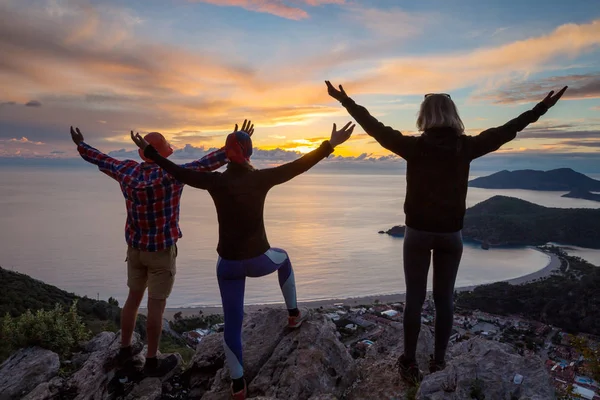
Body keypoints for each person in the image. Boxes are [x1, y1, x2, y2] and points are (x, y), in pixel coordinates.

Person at [325, 81, 568, 383]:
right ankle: (438, 362)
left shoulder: (413, 147)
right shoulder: (466, 147)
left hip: (417, 233)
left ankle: (409, 362)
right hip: (451, 236)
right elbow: (509, 129)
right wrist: (542, 108)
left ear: (424, 116)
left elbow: (373, 126)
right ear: (453, 115)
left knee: (414, 299)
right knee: (444, 300)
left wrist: (345, 100)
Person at [131, 121, 355, 399]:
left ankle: (238, 385)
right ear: (248, 153)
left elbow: (177, 171)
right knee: (283, 258)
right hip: (259, 260)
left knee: (232, 323)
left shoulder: (215, 181)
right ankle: (294, 315)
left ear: (227, 154)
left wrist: (151, 154)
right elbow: (298, 165)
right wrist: (329, 145)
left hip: (228, 265)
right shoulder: (260, 178)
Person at [70, 123, 249, 376]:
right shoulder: (172, 175)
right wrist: (235, 144)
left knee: (133, 299)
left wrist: (81, 145)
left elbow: (103, 160)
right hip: (162, 251)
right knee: (156, 307)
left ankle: (124, 348)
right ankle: (152, 362)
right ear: (163, 153)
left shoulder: (127, 171)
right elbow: (206, 164)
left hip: (135, 249)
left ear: (142, 153)